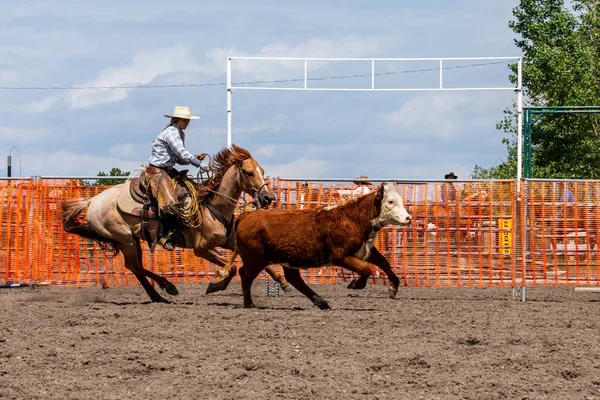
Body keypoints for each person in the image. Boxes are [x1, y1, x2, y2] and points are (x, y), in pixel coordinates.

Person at [147, 106, 209, 250]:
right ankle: (163, 235)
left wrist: (194, 158)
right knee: (171, 203)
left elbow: (178, 158)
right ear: (178, 120)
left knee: (191, 192)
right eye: (185, 120)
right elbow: (181, 153)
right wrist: (198, 163)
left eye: (188, 120)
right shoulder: (172, 132)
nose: (187, 123)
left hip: (168, 170)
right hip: (158, 171)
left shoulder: (179, 133)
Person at [441, 171, 459, 251]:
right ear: (448, 178)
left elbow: (455, 196)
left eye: (452, 178)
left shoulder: (453, 187)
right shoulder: (444, 185)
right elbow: (443, 194)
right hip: (447, 202)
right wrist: (446, 201)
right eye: (450, 177)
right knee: (453, 213)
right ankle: (451, 223)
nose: (451, 179)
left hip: (453, 202)